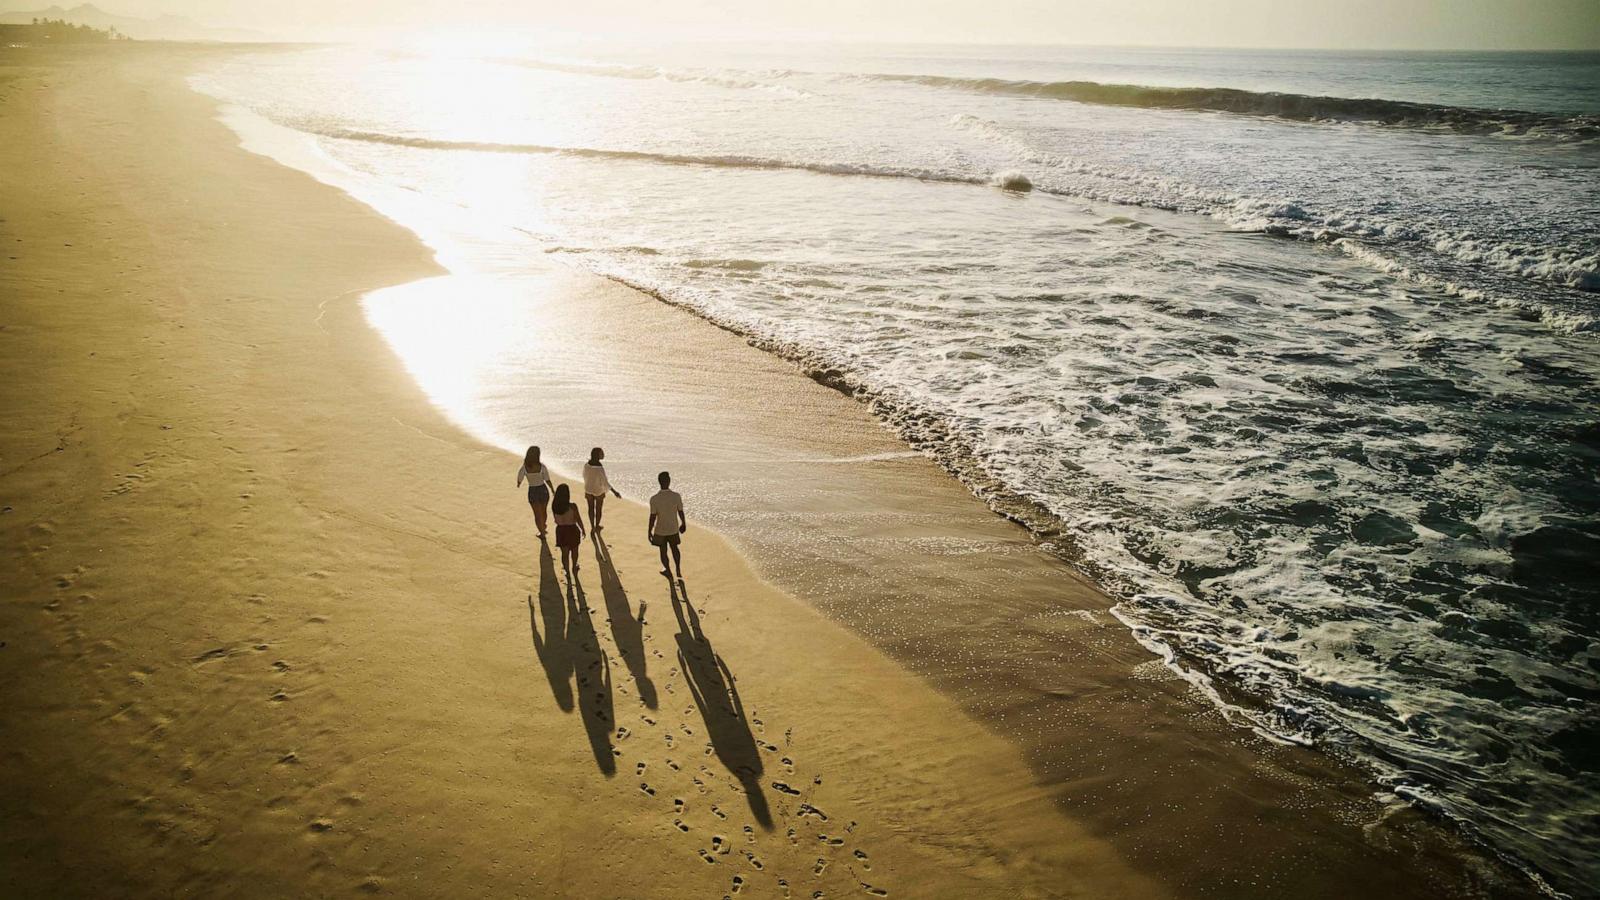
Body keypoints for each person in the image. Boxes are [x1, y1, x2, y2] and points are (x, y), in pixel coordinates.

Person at [647, 471, 686, 579]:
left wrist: (649, 531)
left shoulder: (654, 499)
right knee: (675, 548)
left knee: (663, 551)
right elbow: (680, 511)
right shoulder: (676, 496)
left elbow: (653, 517)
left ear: (659, 482)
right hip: (673, 528)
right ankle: (678, 568)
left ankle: (667, 570)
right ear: (669, 481)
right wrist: (683, 523)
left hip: (660, 530)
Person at [583, 447, 623, 533]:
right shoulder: (599, 468)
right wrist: (614, 492)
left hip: (588, 489)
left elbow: (584, 476)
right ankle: (597, 526)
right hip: (598, 490)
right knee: (598, 509)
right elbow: (605, 483)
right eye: (602, 453)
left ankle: (592, 526)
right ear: (598, 455)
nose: (603, 454)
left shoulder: (586, 465)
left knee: (590, 508)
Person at [516, 445, 553, 539]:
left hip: (532, 491)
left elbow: (520, 476)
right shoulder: (542, 466)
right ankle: (543, 526)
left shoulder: (525, 467)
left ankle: (541, 532)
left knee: (537, 514)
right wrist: (552, 489)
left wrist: (519, 483)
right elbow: (547, 479)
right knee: (543, 511)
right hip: (543, 489)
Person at [551, 484, 587, 577]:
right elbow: (578, 519)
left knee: (564, 553)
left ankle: (567, 570)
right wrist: (583, 529)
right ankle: (574, 566)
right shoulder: (572, 506)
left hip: (560, 530)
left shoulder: (554, 506)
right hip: (572, 529)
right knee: (574, 551)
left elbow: (555, 519)